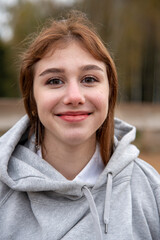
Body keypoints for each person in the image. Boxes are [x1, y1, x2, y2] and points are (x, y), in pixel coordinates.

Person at [0, 10, 159, 240]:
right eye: (54, 81)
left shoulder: (150, 189)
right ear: (31, 97)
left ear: (109, 92)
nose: (74, 97)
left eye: (89, 79)